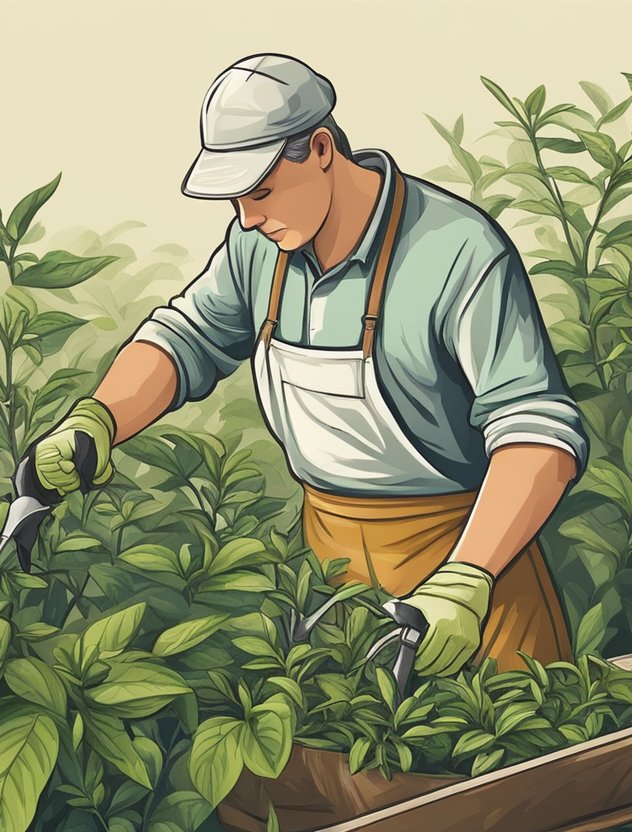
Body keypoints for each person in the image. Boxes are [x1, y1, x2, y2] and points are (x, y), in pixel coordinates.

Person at [31, 53, 589, 677]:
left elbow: (536, 433)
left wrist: (466, 580)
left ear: (321, 148)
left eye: (262, 191)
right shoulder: (257, 247)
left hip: (469, 576)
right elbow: (185, 338)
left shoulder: (457, 251)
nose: (247, 218)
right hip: (332, 579)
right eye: (235, 199)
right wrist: (98, 419)